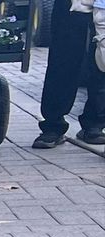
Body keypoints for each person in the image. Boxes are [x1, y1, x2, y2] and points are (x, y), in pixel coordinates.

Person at [32, 0, 105, 149]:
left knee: (101, 67)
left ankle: (94, 124)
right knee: (62, 64)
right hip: (70, 7)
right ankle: (53, 125)